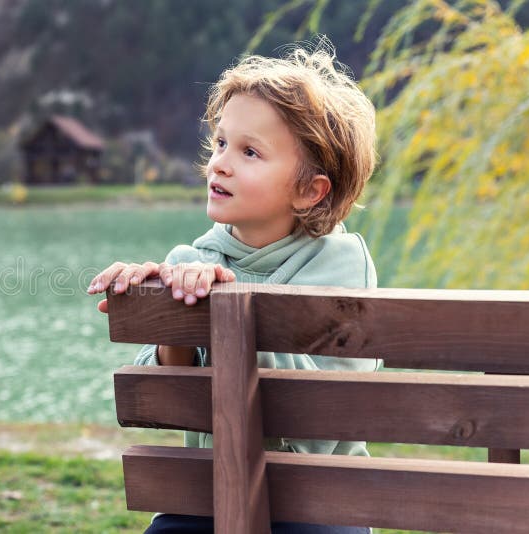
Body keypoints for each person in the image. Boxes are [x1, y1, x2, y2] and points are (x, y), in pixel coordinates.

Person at [88, 42, 377, 534]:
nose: (220, 164)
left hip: (316, 508)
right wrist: (172, 314)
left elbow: (315, 434)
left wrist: (227, 302)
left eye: (249, 152)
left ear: (310, 190)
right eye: (220, 143)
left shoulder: (341, 262)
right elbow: (159, 406)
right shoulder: (190, 263)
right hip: (209, 500)